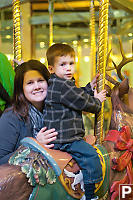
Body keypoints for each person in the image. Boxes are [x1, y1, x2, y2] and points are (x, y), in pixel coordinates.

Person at [44, 43, 106, 200]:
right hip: (66, 138)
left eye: (71, 63)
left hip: (60, 135)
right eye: (63, 64)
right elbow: (86, 104)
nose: (68, 68)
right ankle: (90, 194)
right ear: (51, 69)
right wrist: (97, 101)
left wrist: (88, 88)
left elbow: (76, 96)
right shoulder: (64, 86)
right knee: (91, 155)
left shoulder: (58, 84)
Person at [0, 60, 58, 165]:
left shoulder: (55, 112)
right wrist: (35, 145)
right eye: (30, 83)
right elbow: (1, 160)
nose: (37, 86)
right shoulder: (11, 117)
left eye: (40, 80)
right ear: (21, 88)